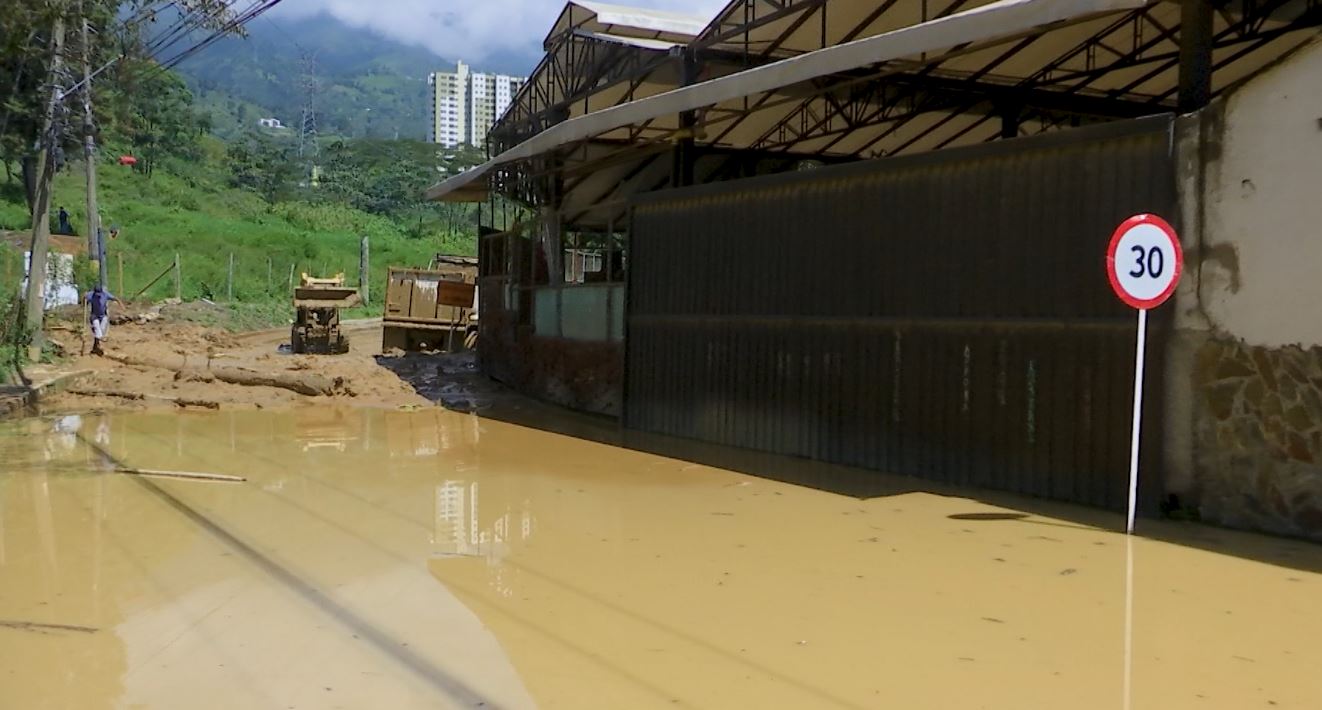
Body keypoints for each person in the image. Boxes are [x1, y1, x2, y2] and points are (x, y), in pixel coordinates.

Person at [85, 285, 116, 356]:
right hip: (94, 315)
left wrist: (122, 305)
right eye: (97, 294)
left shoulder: (105, 294)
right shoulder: (90, 295)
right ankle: (99, 342)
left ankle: (96, 346)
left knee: (101, 330)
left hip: (103, 315)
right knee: (97, 329)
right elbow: (84, 301)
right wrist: (84, 298)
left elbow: (115, 298)